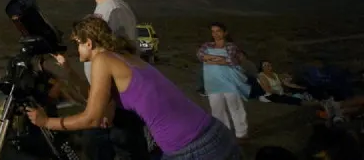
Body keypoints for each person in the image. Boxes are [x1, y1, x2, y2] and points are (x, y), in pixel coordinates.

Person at [27, 15, 242, 160]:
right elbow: (94, 98)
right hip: (213, 135)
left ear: (89, 42)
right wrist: (68, 70)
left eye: (78, 43)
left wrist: (46, 122)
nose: (77, 48)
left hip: (192, 148)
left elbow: (92, 118)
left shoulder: (102, 59)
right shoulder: (122, 56)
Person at [82, 0, 147, 159]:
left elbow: (121, 55)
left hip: (117, 105)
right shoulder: (103, 8)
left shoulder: (115, 10)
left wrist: (108, 103)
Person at [197, 23, 250, 141]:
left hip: (229, 81)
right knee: (217, 109)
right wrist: (220, 59)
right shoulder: (207, 45)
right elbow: (200, 56)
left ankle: (241, 134)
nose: (215, 34)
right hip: (213, 82)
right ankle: (223, 133)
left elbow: (231, 60)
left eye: (218, 31)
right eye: (213, 31)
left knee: (235, 107)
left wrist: (211, 59)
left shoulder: (231, 46)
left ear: (225, 32)